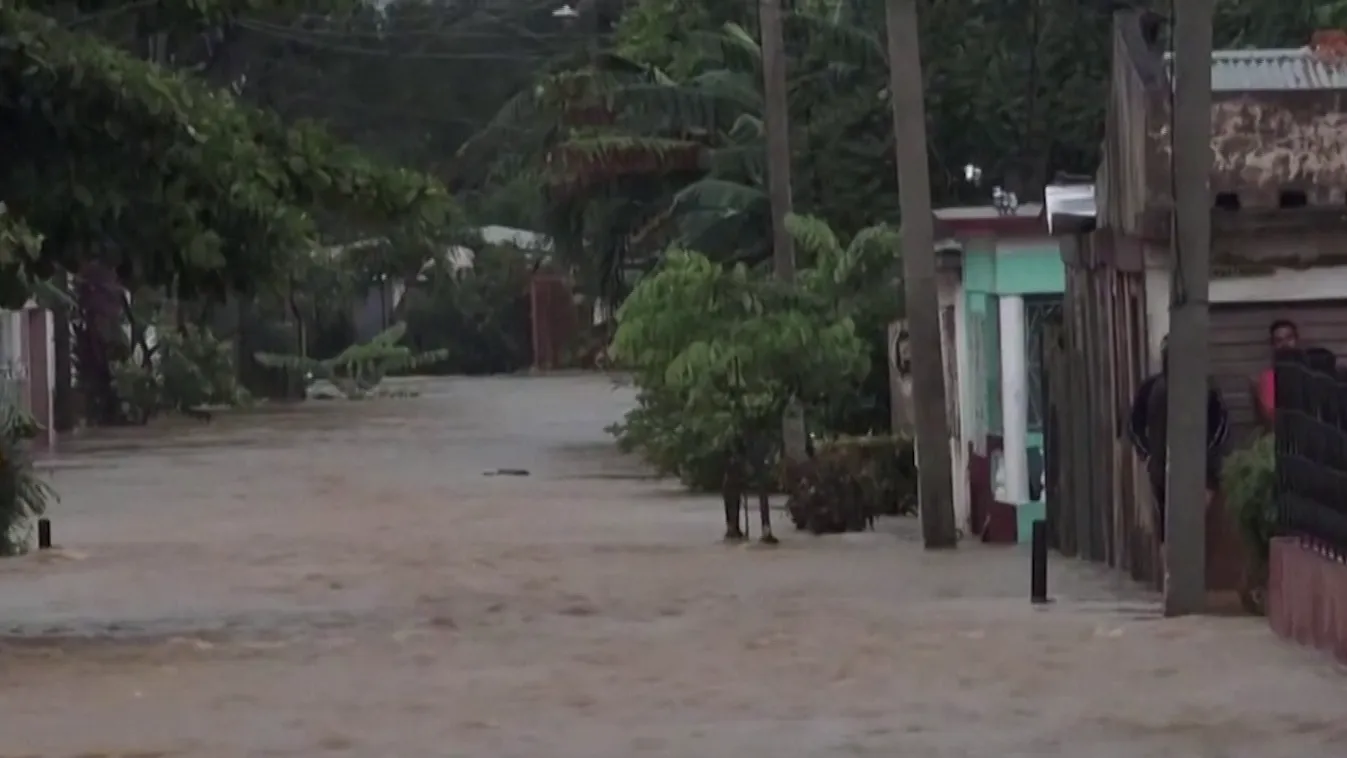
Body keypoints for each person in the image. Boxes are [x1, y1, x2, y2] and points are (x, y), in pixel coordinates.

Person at [1126, 336, 1230, 542]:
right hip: (1161, 470)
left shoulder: (1207, 389)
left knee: (1196, 529)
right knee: (1166, 529)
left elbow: (1220, 425)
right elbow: (1134, 425)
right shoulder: (1151, 388)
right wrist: (1146, 454)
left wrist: (1206, 458)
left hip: (1200, 473)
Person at [1252, 319, 1298, 430]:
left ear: (1297, 341)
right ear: (1273, 345)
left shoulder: (1312, 375)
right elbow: (1270, 417)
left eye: (1289, 338)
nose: (1285, 344)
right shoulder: (1267, 378)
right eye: (1279, 340)